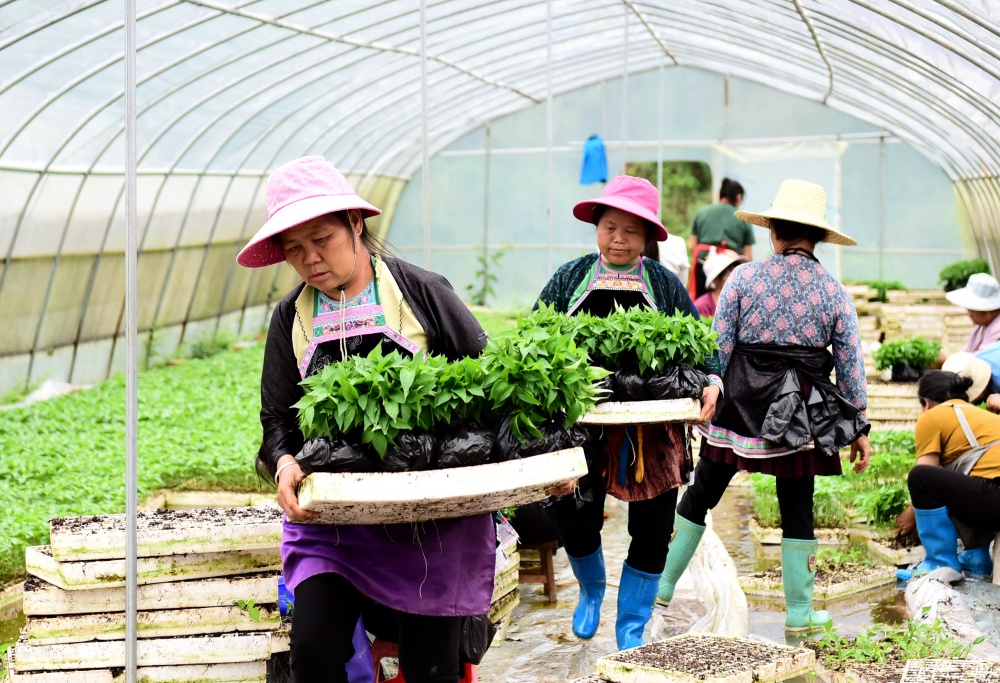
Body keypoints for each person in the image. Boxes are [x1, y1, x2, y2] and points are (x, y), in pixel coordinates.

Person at [237, 156, 495, 683]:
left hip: (431, 520)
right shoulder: (291, 318)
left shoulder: (420, 293)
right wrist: (284, 462)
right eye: (294, 248)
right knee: (313, 653)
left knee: (430, 670)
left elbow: (487, 383)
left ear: (355, 223)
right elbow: (276, 418)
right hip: (335, 521)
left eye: (321, 239)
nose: (310, 258)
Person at [657, 179, 872, 632]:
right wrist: (859, 427)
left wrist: (711, 389)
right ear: (819, 238)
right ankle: (799, 612)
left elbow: (718, 346)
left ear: (773, 232)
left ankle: (664, 585)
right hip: (799, 411)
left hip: (740, 403)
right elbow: (850, 367)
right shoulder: (834, 293)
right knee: (797, 505)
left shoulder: (742, 278)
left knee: (703, 491)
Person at [535, 175, 723, 650]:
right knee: (573, 512)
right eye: (609, 228)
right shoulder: (570, 278)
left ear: (647, 237)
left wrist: (713, 381)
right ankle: (591, 589)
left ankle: (632, 622)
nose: (618, 239)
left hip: (651, 426)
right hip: (582, 423)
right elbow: (534, 335)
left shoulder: (663, 283)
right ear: (596, 228)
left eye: (631, 231)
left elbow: (703, 345)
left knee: (654, 527)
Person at [894, 371, 1000, 579]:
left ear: (927, 403)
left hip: (995, 498)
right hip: (993, 496)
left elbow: (928, 472)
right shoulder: (984, 416)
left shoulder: (932, 416)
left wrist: (909, 516)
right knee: (963, 480)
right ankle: (976, 557)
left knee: (921, 477)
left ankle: (940, 563)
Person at [688, 178, 754, 298]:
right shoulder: (742, 217)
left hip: (703, 264)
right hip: (730, 270)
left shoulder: (702, 212)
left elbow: (692, 245)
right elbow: (748, 255)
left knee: (700, 305)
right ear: (738, 197)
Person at [945, 272, 1000, 354]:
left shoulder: (997, 328)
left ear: (987, 311)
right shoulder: (980, 327)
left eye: (972, 310)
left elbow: (983, 357)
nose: (969, 314)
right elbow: (965, 353)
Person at [693, 248, 747, 318]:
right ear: (716, 279)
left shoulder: (743, 302)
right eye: (730, 272)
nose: (736, 277)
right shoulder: (702, 306)